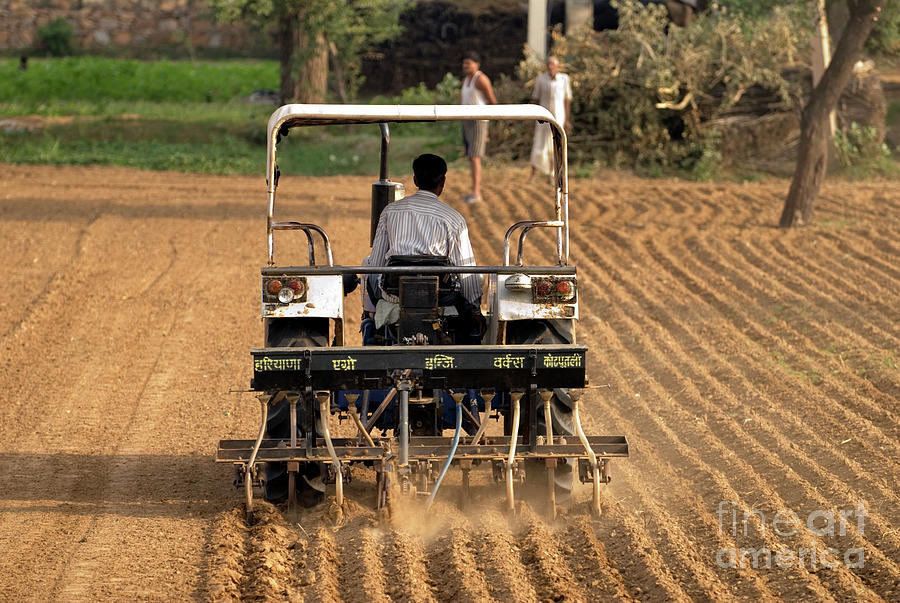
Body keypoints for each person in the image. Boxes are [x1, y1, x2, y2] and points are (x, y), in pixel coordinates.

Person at [362, 154, 484, 342]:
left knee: (367, 268)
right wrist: (474, 309)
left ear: (415, 180)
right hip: (440, 299)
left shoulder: (390, 211)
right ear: (442, 182)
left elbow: (377, 264)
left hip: (395, 295)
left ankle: (374, 328)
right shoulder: (453, 219)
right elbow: (467, 275)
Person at [460, 51, 497, 204]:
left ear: (477, 64)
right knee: (470, 156)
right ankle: (473, 191)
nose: (465, 66)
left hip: (478, 121)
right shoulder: (466, 80)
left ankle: (476, 193)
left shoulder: (481, 79)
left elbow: (492, 102)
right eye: (464, 63)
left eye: (469, 63)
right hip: (466, 121)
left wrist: (486, 126)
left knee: (475, 157)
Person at [529, 56, 573, 182]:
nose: (550, 67)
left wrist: (567, 119)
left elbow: (567, 99)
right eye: (549, 64)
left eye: (553, 64)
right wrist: (534, 115)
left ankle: (552, 174)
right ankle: (533, 175)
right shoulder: (540, 79)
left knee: (555, 145)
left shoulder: (564, 79)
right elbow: (536, 99)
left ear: (557, 66)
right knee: (539, 144)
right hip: (543, 117)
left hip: (558, 117)